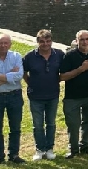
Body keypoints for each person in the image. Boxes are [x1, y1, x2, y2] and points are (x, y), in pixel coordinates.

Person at [23, 30, 64, 161]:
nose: (45, 44)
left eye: (48, 41)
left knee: (51, 123)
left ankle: (50, 148)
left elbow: (63, 72)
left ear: (51, 41)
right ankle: (40, 149)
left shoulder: (59, 54)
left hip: (53, 95)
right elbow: (23, 72)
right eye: (42, 41)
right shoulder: (30, 56)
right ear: (38, 42)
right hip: (35, 96)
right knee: (38, 124)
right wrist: (30, 82)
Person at [60, 30, 88, 158]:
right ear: (76, 41)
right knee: (73, 123)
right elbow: (62, 76)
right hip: (73, 97)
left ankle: (85, 146)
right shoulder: (69, 56)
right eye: (81, 39)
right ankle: (73, 149)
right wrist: (80, 69)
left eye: (87, 39)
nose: (84, 42)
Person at [0, 35, 25, 164]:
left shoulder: (16, 56)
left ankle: (14, 154)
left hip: (14, 95)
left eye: (5, 43)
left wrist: (1, 77)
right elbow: (14, 76)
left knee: (15, 127)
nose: (3, 45)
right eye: (0, 43)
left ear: (10, 44)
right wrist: (10, 73)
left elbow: (19, 75)